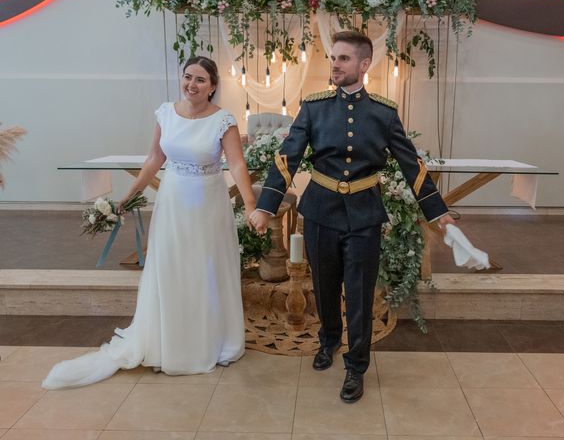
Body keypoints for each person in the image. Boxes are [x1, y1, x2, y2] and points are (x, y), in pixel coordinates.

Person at [250, 31, 455, 403]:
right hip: (319, 212)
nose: (335, 65)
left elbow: (413, 166)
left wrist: (439, 213)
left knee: (359, 294)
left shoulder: (383, 112)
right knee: (326, 287)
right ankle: (328, 341)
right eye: (333, 58)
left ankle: (356, 366)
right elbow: (288, 157)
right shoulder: (314, 107)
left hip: (363, 215)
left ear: (363, 65)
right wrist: (265, 207)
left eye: (343, 59)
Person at [43, 56, 256, 389]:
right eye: (187, 77)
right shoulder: (166, 113)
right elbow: (155, 158)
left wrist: (253, 206)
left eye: (200, 79)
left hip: (208, 205)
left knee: (206, 268)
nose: (192, 84)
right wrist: (129, 195)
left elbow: (238, 166)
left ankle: (214, 341)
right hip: (172, 202)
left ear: (213, 86)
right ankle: (169, 342)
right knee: (171, 268)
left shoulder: (223, 121)